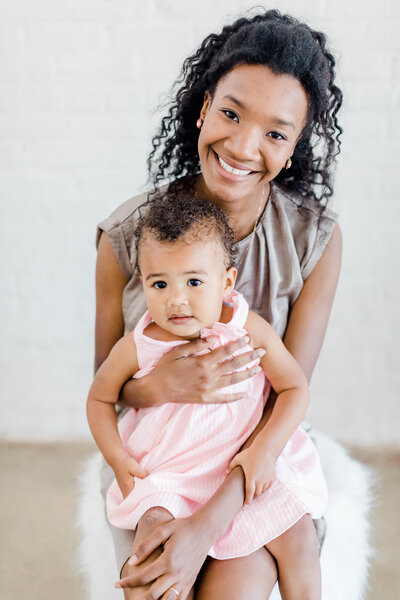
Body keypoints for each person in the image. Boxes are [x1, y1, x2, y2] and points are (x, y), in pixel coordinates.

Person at [94, 8, 343, 600]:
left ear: (294, 147)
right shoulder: (127, 236)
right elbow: (108, 384)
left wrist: (206, 527)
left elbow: (284, 400)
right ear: (204, 107)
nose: (243, 146)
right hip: (165, 464)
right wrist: (166, 386)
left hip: (256, 463)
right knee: (152, 585)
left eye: (276, 133)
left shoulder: (314, 242)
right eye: (231, 113)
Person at [88, 194, 328, 599]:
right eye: (159, 283)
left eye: (194, 281)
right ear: (143, 282)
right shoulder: (139, 344)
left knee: (299, 536)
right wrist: (117, 457)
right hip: (172, 470)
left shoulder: (246, 326)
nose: (176, 298)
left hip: (239, 459)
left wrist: (266, 450)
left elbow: (294, 386)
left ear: (226, 282)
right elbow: (99, 398)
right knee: (150, 542)